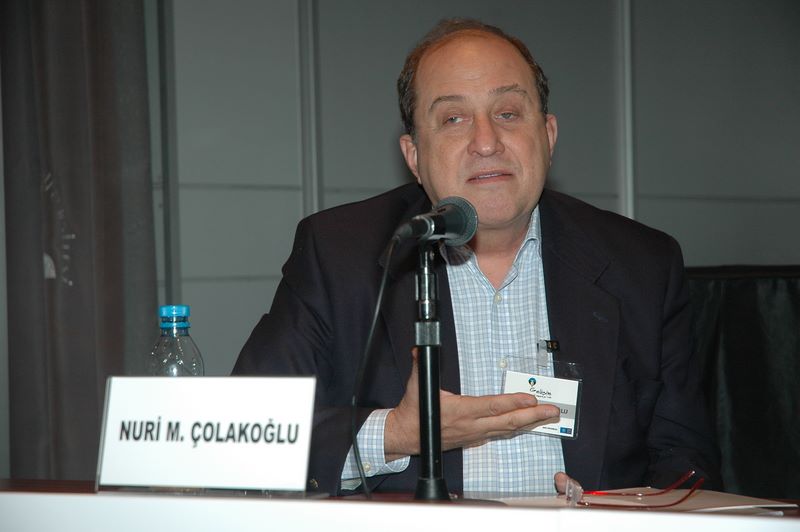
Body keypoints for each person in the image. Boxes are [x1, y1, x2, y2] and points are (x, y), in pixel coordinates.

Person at [233, 18, 720, 496]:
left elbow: (685, 463)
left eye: (508, 113)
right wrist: (396, 434)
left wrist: (618, 510)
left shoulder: (641, 264)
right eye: (453, 119)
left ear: (548, 136)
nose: (486, 142)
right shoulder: (340, 254)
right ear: (414, 155)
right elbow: (245, 435)